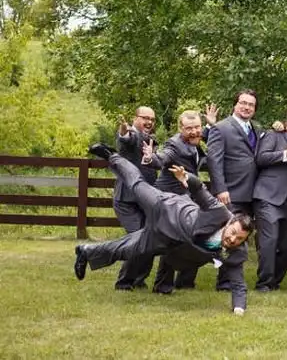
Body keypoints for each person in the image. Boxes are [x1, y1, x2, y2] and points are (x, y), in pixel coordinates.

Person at [77, 143, 252, 315]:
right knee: (136, 185)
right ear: (229, 223)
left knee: (128, 250)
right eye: (233, 233)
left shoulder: (237, 252)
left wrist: (239, 309)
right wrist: (186, 177)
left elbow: (238, 284)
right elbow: (200, 189)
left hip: (167, 239)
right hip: (166, 209)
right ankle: (111, 155)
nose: (232, 239)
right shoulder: (218, 211)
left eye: (239, 239)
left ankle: (85, 251)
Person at [141, 110, 208, 293]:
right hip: (168, 200)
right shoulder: (174, 144)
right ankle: (160, 285)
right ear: (180, 128)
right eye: (189, 128)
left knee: (191, 238)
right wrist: (150, 157)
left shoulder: (195, 141)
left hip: (184, 198)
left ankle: (184, 282)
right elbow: (163, 158)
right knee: (167, 241)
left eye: (197, 127)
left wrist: (211, 125)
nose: (194, 131)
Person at [207, 89, 260, 291]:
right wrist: (220, 189)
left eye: (251, 105)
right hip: (230, 193)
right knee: (228, 235)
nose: (247, 107)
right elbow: (214, 160)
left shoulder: (256, 129)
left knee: (240, 237)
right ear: (235, 105)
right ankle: (224, 282)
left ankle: (232, 279)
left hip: (252, 193)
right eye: (243, 103)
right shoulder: (221, 128)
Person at [251, 109, 287, 291]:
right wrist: (285, 152)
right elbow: (261, 158)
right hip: (268, 196)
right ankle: (264, 283)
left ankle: (275, 281)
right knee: (270, 240)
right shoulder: (274, 135)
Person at [112, 106, 158, 291]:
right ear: (135, 118)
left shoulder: (151, 140)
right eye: (145, 118)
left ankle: (139, 279)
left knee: (152, 238)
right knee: (140, 238)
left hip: (146, 199)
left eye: (152, 119)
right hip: (127, 200)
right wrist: (124, 132)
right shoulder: (133, 135)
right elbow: (125, 140)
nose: (149, 122)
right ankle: (124, 282)